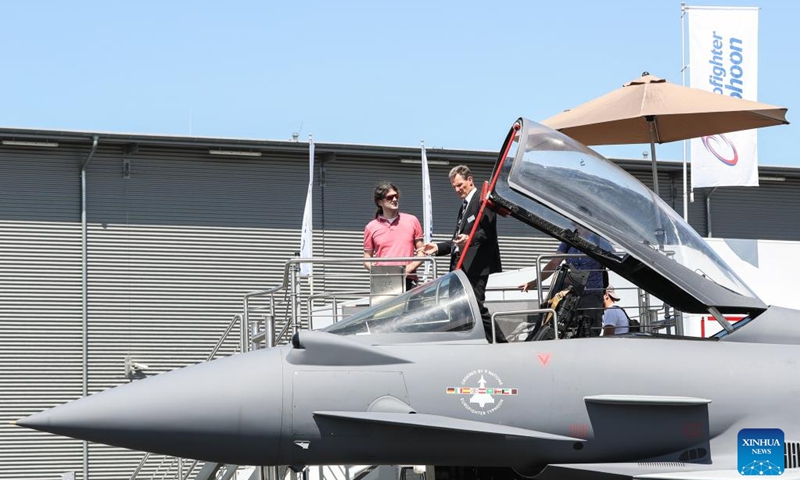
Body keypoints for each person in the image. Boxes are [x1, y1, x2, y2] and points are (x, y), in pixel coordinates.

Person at [420, 165, 502, 341]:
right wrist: (438, 248)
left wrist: (469, 239)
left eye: (460, 185)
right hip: (460, 266)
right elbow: (458, 240)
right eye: (454, 187)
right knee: (458, 307)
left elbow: (487, 234)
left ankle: (500, 342)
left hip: (477, 265)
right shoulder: (464, 206)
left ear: (470, 180)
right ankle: (468, 341)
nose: (457, 190)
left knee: (475, 307)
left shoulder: (482, 201)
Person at [519, 234, 606, 337]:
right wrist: (535, 282)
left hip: (592, 293)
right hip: (573, 295)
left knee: (591, 329)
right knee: (569, 329)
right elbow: (554, 263)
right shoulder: (569, 240)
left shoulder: (599, 239)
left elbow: (613, 258)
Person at [363, 181, 424, 291]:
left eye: (396, 196)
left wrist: (410, 268)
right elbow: (367, 258)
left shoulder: (412, 220)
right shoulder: (371, 227)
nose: (395, 200)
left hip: (408, 280)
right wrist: (377, 272)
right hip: (383, 282)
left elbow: (422, 251)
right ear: (380, 202)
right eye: (390, 197)